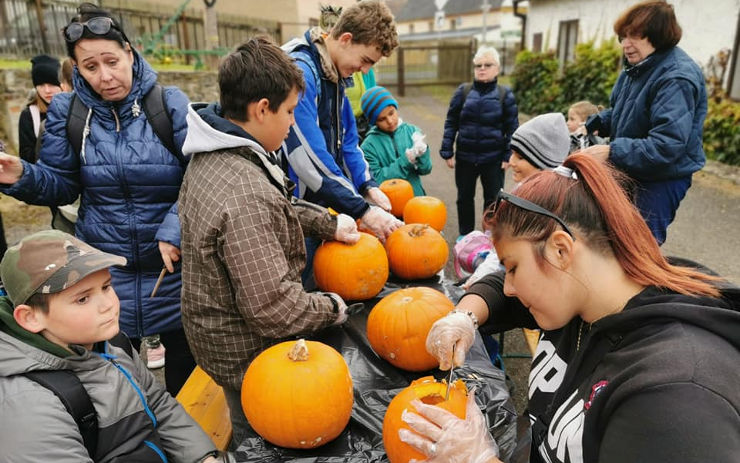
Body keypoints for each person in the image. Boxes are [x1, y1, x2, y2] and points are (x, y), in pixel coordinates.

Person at [399, 153, 740, 462]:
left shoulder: (675, 399)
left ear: (560, 250)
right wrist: (465, 315)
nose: (509, 285)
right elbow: (500, 294)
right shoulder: (583, 296)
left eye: (514, 267)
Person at [0, 3, 195, 395]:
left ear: (130, 52)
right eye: (90, 67)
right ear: (76, 68)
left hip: (173, 272)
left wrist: (174, 226)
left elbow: (201, 175)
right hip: (107, 274)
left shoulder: (169, 104)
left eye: (112, 61)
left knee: (185, 382)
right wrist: (20, 175)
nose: (105, 76)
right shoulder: (68, 113)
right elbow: (61, 186)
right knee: (118, 384)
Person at [179, 37, 358, 449]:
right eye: (290, 112)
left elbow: (274, 207)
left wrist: (327, 224)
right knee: (262, 438)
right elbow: (275, 308)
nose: (293, 123)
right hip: (246, 353)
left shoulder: (219, 154)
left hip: (216, 336)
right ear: (262, 109)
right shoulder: (243, 191)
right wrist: (333, 307)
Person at [0, 230, 221, 462]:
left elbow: (157, 404)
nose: (108, 305)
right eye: (82, 299)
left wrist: (202, 457)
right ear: (30, 318)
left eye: (106, 287)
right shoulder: (29, 406)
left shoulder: (111, 343)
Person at [281, 0, 403, 285]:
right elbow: (307, 157)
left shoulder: (334, 76)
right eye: (366, 60)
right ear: (346, 39)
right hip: (293, 209)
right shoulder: (302, 72)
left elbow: (349, 142)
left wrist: (367, 186)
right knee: (302, 285)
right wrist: (362, 210)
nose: (364, 70)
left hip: (320, 206)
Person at [581, 1, 707, 245]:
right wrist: (595, 122)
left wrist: (611, 150)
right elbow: (626, 112)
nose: (626, 44)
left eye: (635, 36)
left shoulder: (675, 77)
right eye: (623, 36)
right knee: (612, 241)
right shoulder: (638, 68)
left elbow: (667, 145)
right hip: (633, 168)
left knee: (638, 249)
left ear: (658, 37)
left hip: (661, 179)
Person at [462, 112, 571, 289]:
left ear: (543, 163)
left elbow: (506, 249)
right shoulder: (523, 189)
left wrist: (482, 276)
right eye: (512, 154)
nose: (511, 161)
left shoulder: (538, 203)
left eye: (520, 157)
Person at [441, 45, 519, 237]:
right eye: (478, 65)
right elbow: (451, 122)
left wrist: (509, 155)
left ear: (497, 68)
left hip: (493, 159)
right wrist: (447, 150)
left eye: (487, 65)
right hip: (466, 157)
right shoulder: (463, 92)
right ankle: (465, 236)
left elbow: (512, 128)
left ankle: (489, 236)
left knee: (493, 200)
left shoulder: (504, 95)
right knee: (464, 198)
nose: (482, 69)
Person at [360, 86, 432, 196]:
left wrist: (423, 153)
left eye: (391, 113)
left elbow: (425, 170)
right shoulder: (368, 146)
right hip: (389, 205)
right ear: (374, 122)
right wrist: (406, 160)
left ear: (396, 108)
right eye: (382, 119)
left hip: (416, 200)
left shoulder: (412, 132)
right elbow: (378, 180)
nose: (389, 121)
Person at [18, 54, 62, 163]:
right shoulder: (29, 115)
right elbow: (26, 155)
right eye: (41, 85)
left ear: (62, 84)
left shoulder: (76, 109)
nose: (47, 90)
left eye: (52, 84)